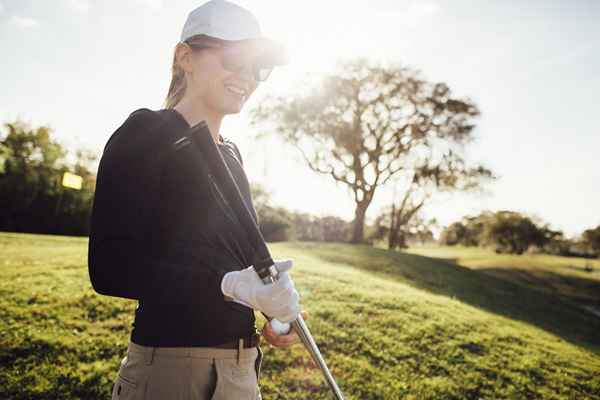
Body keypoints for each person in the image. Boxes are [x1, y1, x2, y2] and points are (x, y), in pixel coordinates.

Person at [87, 1, 307, 399]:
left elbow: (238, 260)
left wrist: (274, 306)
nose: (247, 77)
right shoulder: (146, 133)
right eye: (235, 59)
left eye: (258, 67)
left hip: (241, 371)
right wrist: (230, 285)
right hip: (171, 370)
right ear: (185, 56)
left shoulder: (232, 155)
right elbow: (110, 269)